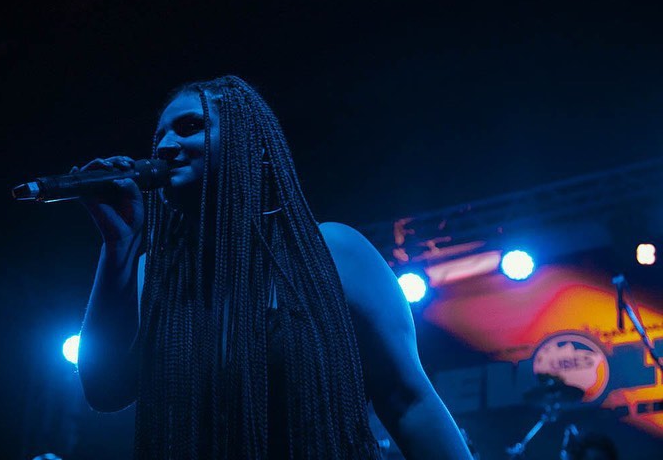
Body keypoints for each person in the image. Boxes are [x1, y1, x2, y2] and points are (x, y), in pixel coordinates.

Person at [75, 75, 471, 459]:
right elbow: (104, 391)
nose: (164, 145)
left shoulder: (332, 251)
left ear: (249, 143)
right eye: (159, 135)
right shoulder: (153, 274)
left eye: (190, 126)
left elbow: (407, 399)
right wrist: (118, 244)